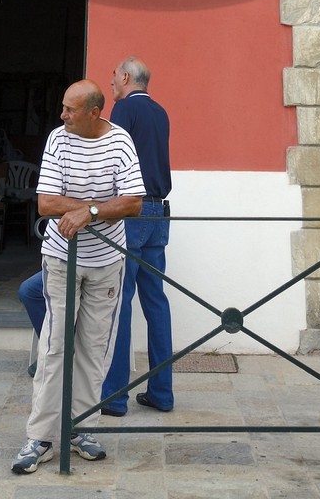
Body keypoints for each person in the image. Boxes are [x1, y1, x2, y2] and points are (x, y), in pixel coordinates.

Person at [11, 80, 144, 476]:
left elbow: (134, 202)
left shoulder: (120, 142)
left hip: (107, 261)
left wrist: (90, 212)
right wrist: (98, 206)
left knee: (94, 348)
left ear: (93, 112)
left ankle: (82, 428)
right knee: (54, 347)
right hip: (61, 258)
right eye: (63, 107)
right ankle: (40, 437)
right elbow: (46, 202)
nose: (62, 115)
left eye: (70, 109)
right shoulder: (58, 139)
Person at [100, 56, 174, 416]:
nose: (111, 82)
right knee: (156, 302)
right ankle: (162, 392)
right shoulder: (161, 112)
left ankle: (114, 397)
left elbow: (112, 163)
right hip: (159, 211)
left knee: (119, 301)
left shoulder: (124, 110)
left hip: (132, 212)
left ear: (127, 76)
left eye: (114, 75)